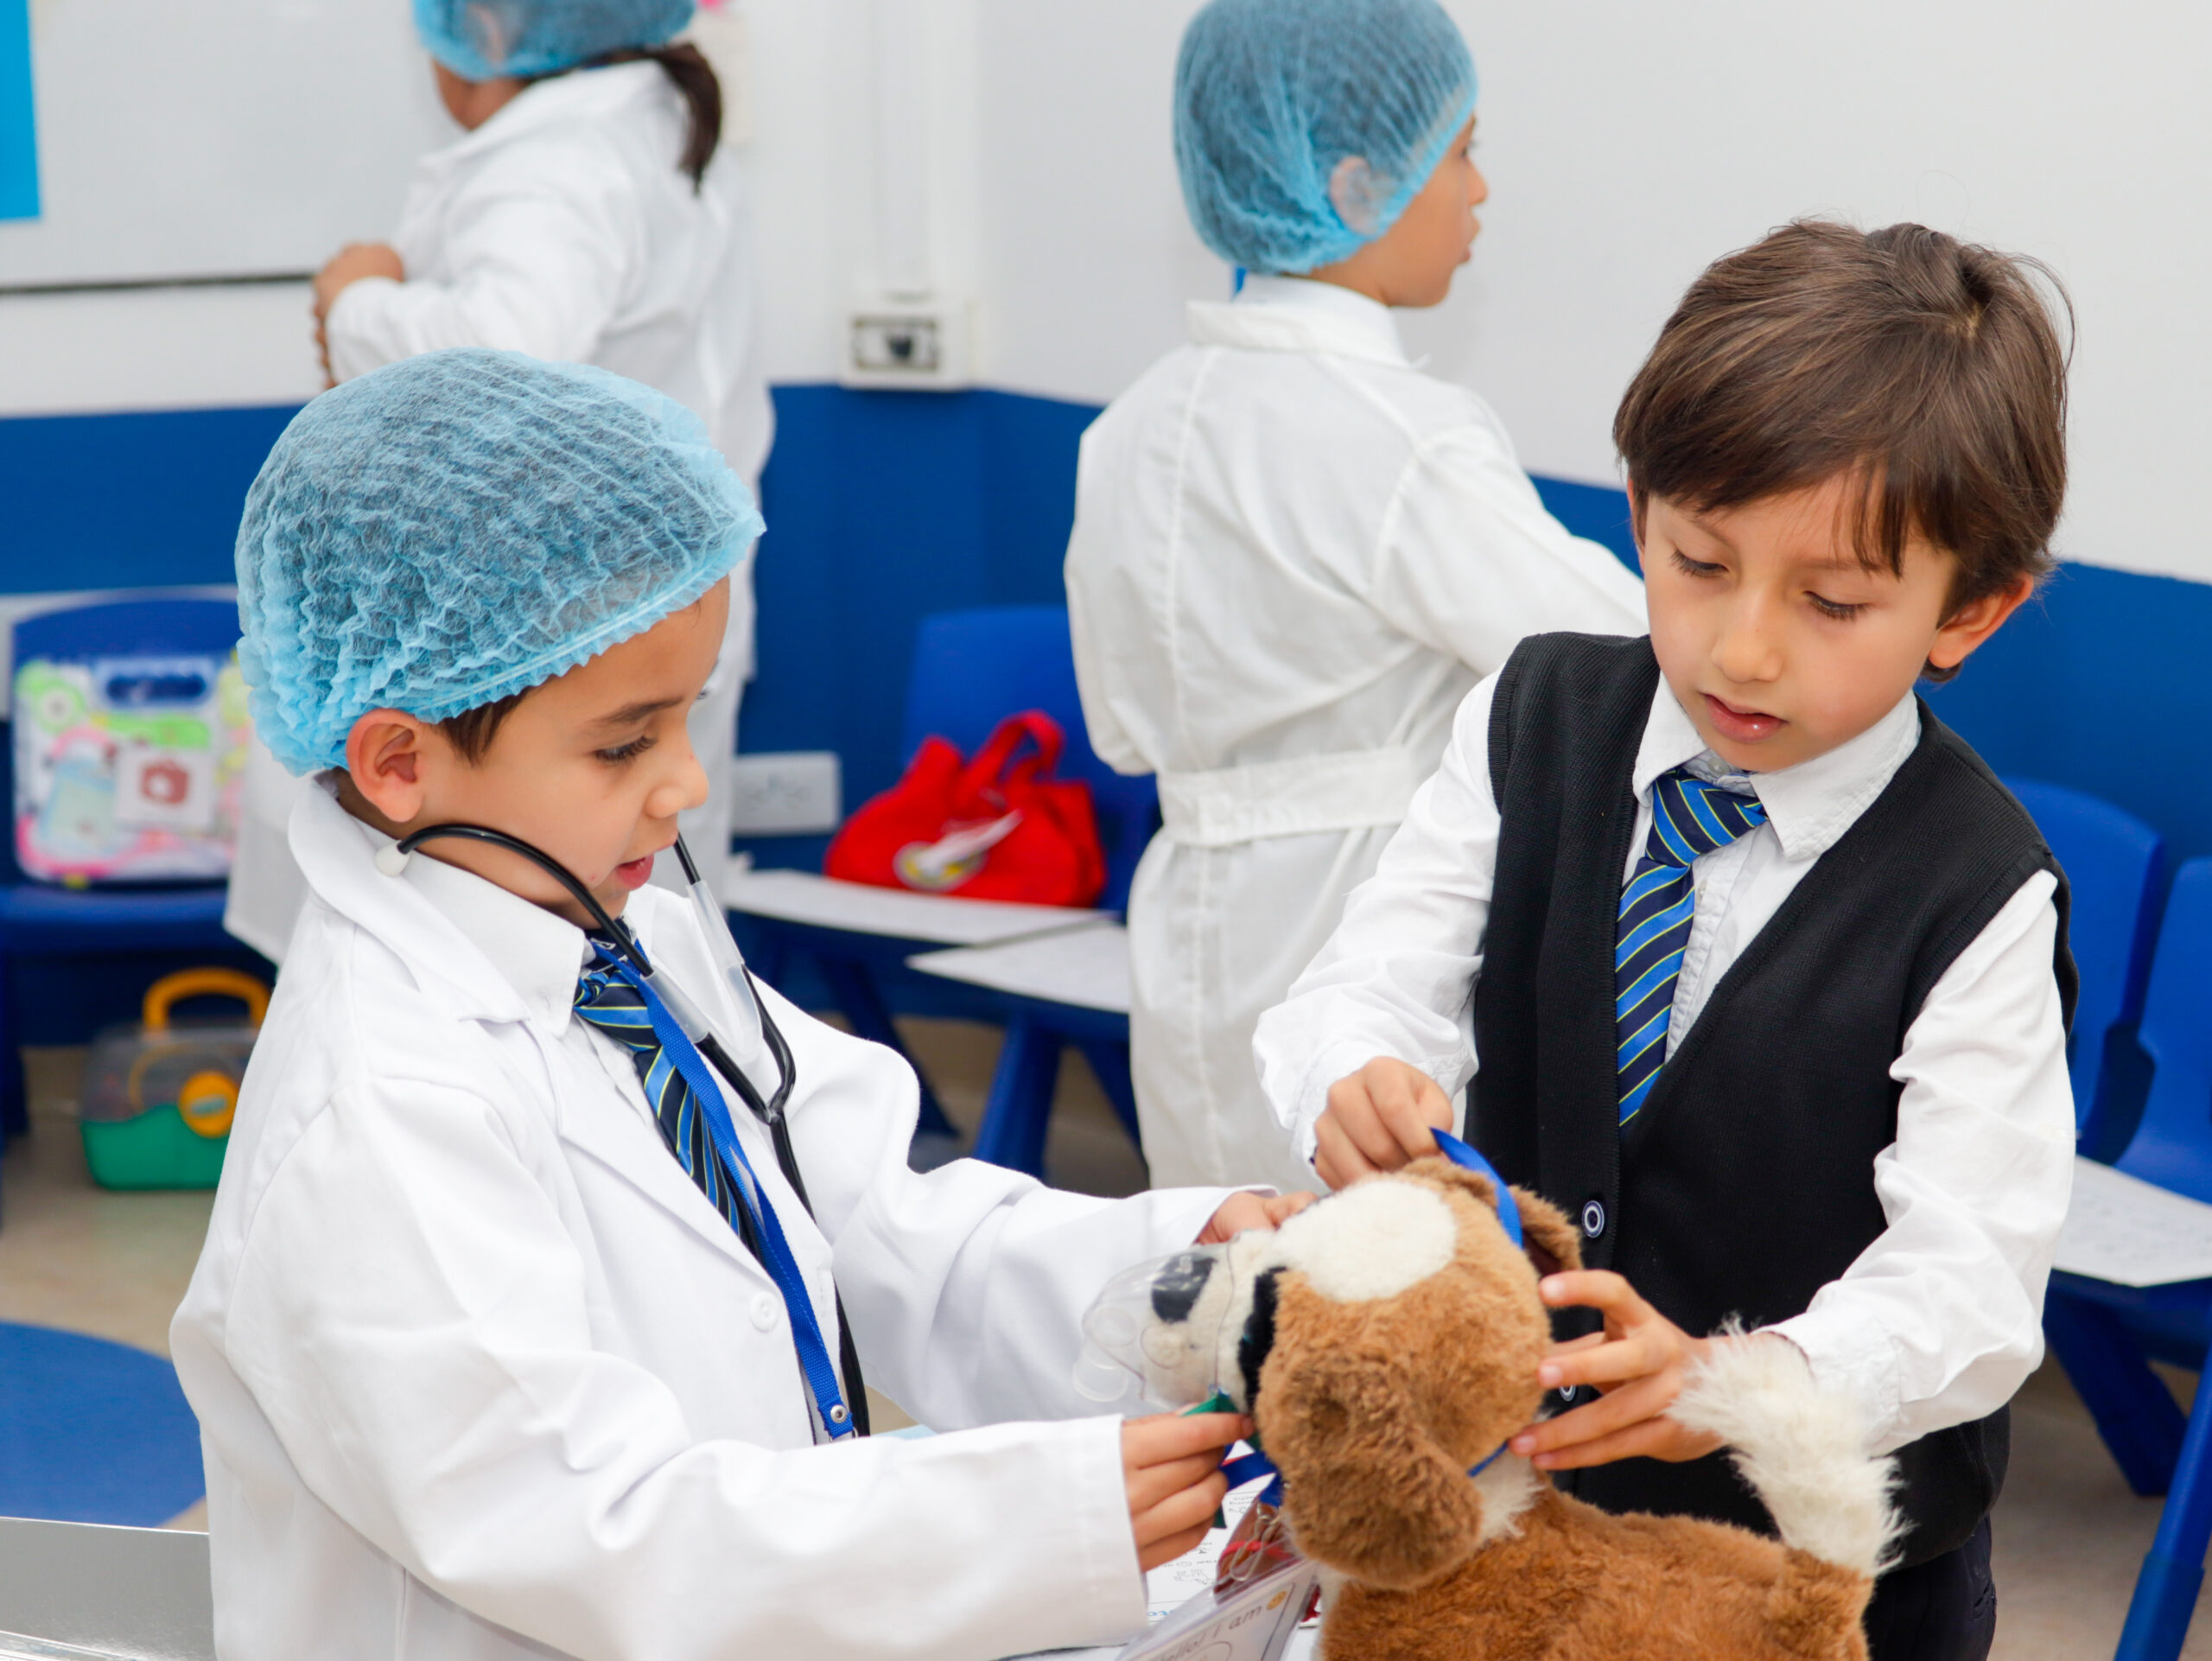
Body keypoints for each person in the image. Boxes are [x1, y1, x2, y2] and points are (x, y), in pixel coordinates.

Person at [175, 350, 1309, 1661]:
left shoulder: (634, 943)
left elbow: (878, 1227)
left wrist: (1192, 1274)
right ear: (396, 760)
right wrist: (1036, 1517)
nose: (685, 785)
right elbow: (599, 1529)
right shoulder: (377, 1104)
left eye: (686, 721)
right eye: (624, 742)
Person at [1255, 221, 2078, 1661]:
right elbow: (1372, 978)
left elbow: (1973, 1276)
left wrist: (1736, 1382)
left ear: (1971, 610)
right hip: (1516, 1539)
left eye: (1833, 601)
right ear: (1638, 511)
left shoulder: (1978, 885)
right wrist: (1355, 1068)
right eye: (1699, 561)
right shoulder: (1533, 718)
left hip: (1817, 1588)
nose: (1742, 649)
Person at [1063, 0, 1647, 1196]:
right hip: (1366, 922)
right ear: (1355, 183)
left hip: (1182, 937)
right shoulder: (1404, 437)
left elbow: (1118, 729)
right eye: (1462, 150)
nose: (1480, 189)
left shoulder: (1127, 431)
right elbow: (1625, 647)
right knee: (1384, 1283)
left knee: (1228, 1262)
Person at [227, 0, 765, 964]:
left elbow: (499, 360)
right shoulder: (645, 123)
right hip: (593, 632)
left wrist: (356, 302)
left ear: (483, 23)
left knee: (533, 944)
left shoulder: (555, 165)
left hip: (546, 647)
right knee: (605, 945)